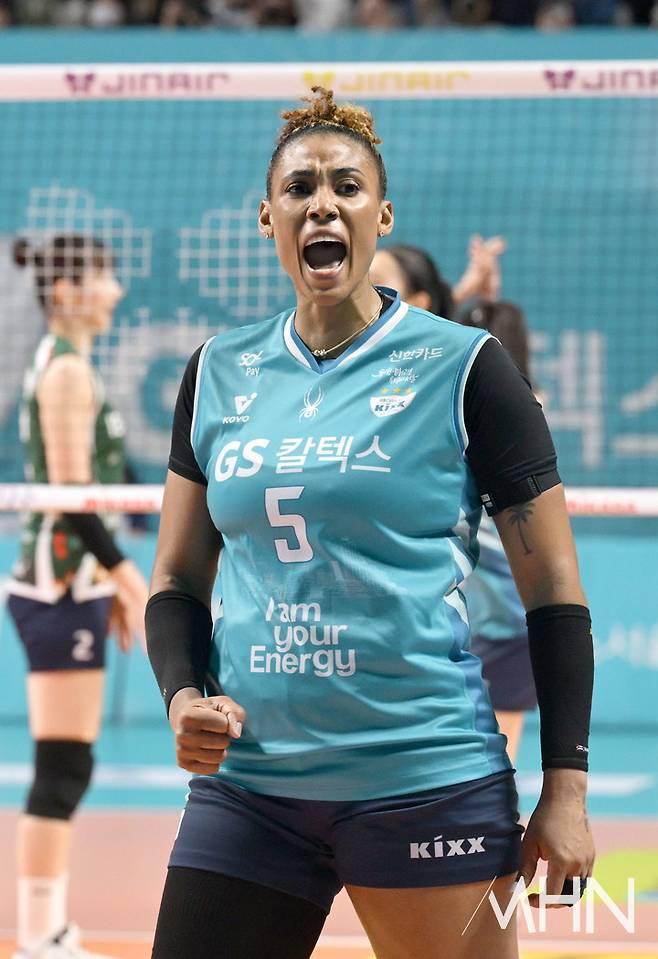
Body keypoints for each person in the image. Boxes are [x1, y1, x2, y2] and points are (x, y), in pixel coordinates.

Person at [146, 87, 595, 959]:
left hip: (423, 778)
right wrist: (182, 695)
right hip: (252, 784)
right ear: (268, 218)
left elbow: (553, 590)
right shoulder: (216, 371)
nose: (323, 202)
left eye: (346, 187)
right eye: (300, 187)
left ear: (380, 216)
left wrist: (566, 788)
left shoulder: (467, 368)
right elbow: (176, 577)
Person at [7, 235, 149, 959]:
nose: (115, 292)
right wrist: (125, 574)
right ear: (66, 291)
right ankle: (40, 935)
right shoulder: (64, 371)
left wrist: (109, 582)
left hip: (75, 584)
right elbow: (70, 495)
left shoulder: (73, 364)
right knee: (62, 766)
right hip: (57, 584)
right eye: (104, 277)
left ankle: (49, 930)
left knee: (71, 763)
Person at [370, 245, 535, 760]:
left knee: (489, 752)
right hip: (443, 612)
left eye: (378, 278)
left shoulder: (471, 399)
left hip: (492, 612)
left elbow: (431, 342)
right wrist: (472, 293)